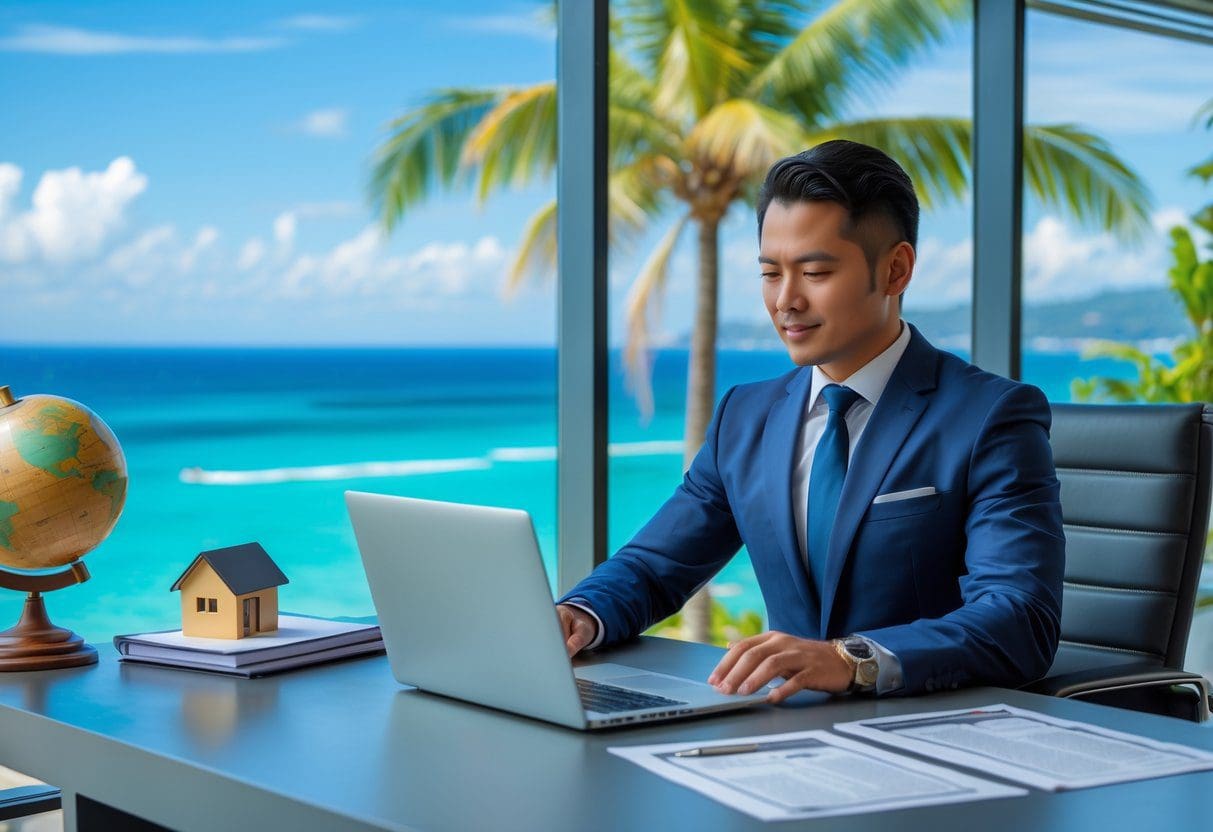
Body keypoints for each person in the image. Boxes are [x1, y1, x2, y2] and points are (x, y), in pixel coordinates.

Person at [556, 140, 1065, 702]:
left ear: (895, 270)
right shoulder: (744, 417)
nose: (785, 301)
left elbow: (1019, 618)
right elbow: (657, 565)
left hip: (932, 734)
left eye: (815, 271)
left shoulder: (990, 416)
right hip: (784, 734)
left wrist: (853, 660)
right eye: (771, 273)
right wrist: (578, 613)